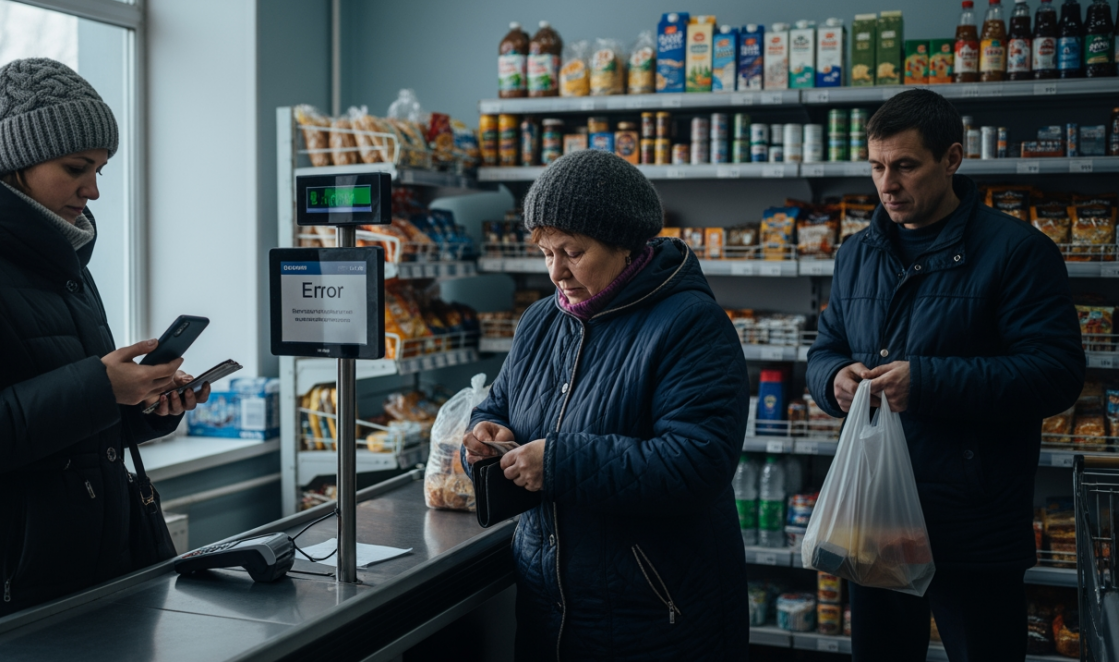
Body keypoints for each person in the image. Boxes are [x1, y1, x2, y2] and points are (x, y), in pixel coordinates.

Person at [0, 58, 211, 651]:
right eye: (76, 168)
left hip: (73, 579)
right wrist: (99, 387)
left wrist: (146, 404)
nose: (94, 189)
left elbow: (64, 422)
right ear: (15, 161)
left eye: (101, 168)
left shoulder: (57, 262)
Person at [806, 89, 1084, 662]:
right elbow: (826, 347)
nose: (887, 184)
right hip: (875, 515)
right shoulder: (858, 252)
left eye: (905, 166)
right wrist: (833, 380)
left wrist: (926, 382)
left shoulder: (1017, 253)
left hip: (972, 523)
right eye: (878, 166)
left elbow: (1054, 374)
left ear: (952, 158)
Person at [462, 150, 751, 660]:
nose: (556, 273)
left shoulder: (691, 325)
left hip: (655, 615)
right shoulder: (540, 322)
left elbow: (697, 462)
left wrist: (557, 462)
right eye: (546, 252)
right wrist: (486, 440)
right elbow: (499, 408)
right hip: (549, 609)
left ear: (624, 244)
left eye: (572, 252)